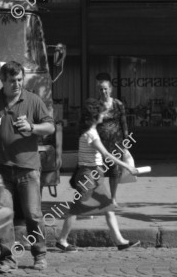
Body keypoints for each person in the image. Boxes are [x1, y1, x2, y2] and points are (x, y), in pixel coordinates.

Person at [0, 61, 55, 273]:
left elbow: (50, 127)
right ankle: (8, 260)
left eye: (19, 79)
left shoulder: (32, 100)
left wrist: (32, 127)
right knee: (5, 215)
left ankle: (40, 255)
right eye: (12, 80)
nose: (16, 84)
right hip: (0, 169)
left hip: (28, 169)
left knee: (33, 215)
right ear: (2, 81)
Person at [57, 99, 140, 251]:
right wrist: (127, 165)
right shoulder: (91, 134)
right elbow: (107, 154)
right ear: (95, 116)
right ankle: (62, 240)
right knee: (75, 209)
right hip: (89, 175)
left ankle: (120, 241)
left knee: (108, 206)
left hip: (94, 174)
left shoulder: (89, 131)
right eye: (102, 113)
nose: (104, 115)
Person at [95, 77, 129, 207]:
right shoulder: (95, 105)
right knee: (99, 172)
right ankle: (100, 199)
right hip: (100, 144)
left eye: (105, 89)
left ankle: (113, 198)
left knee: (115, 172)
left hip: (116, 143)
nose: (103, 91)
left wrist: (125, 141)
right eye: (101, 89)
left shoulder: (118, 104)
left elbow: (124, 123)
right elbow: (91, 124)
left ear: (110, 89)